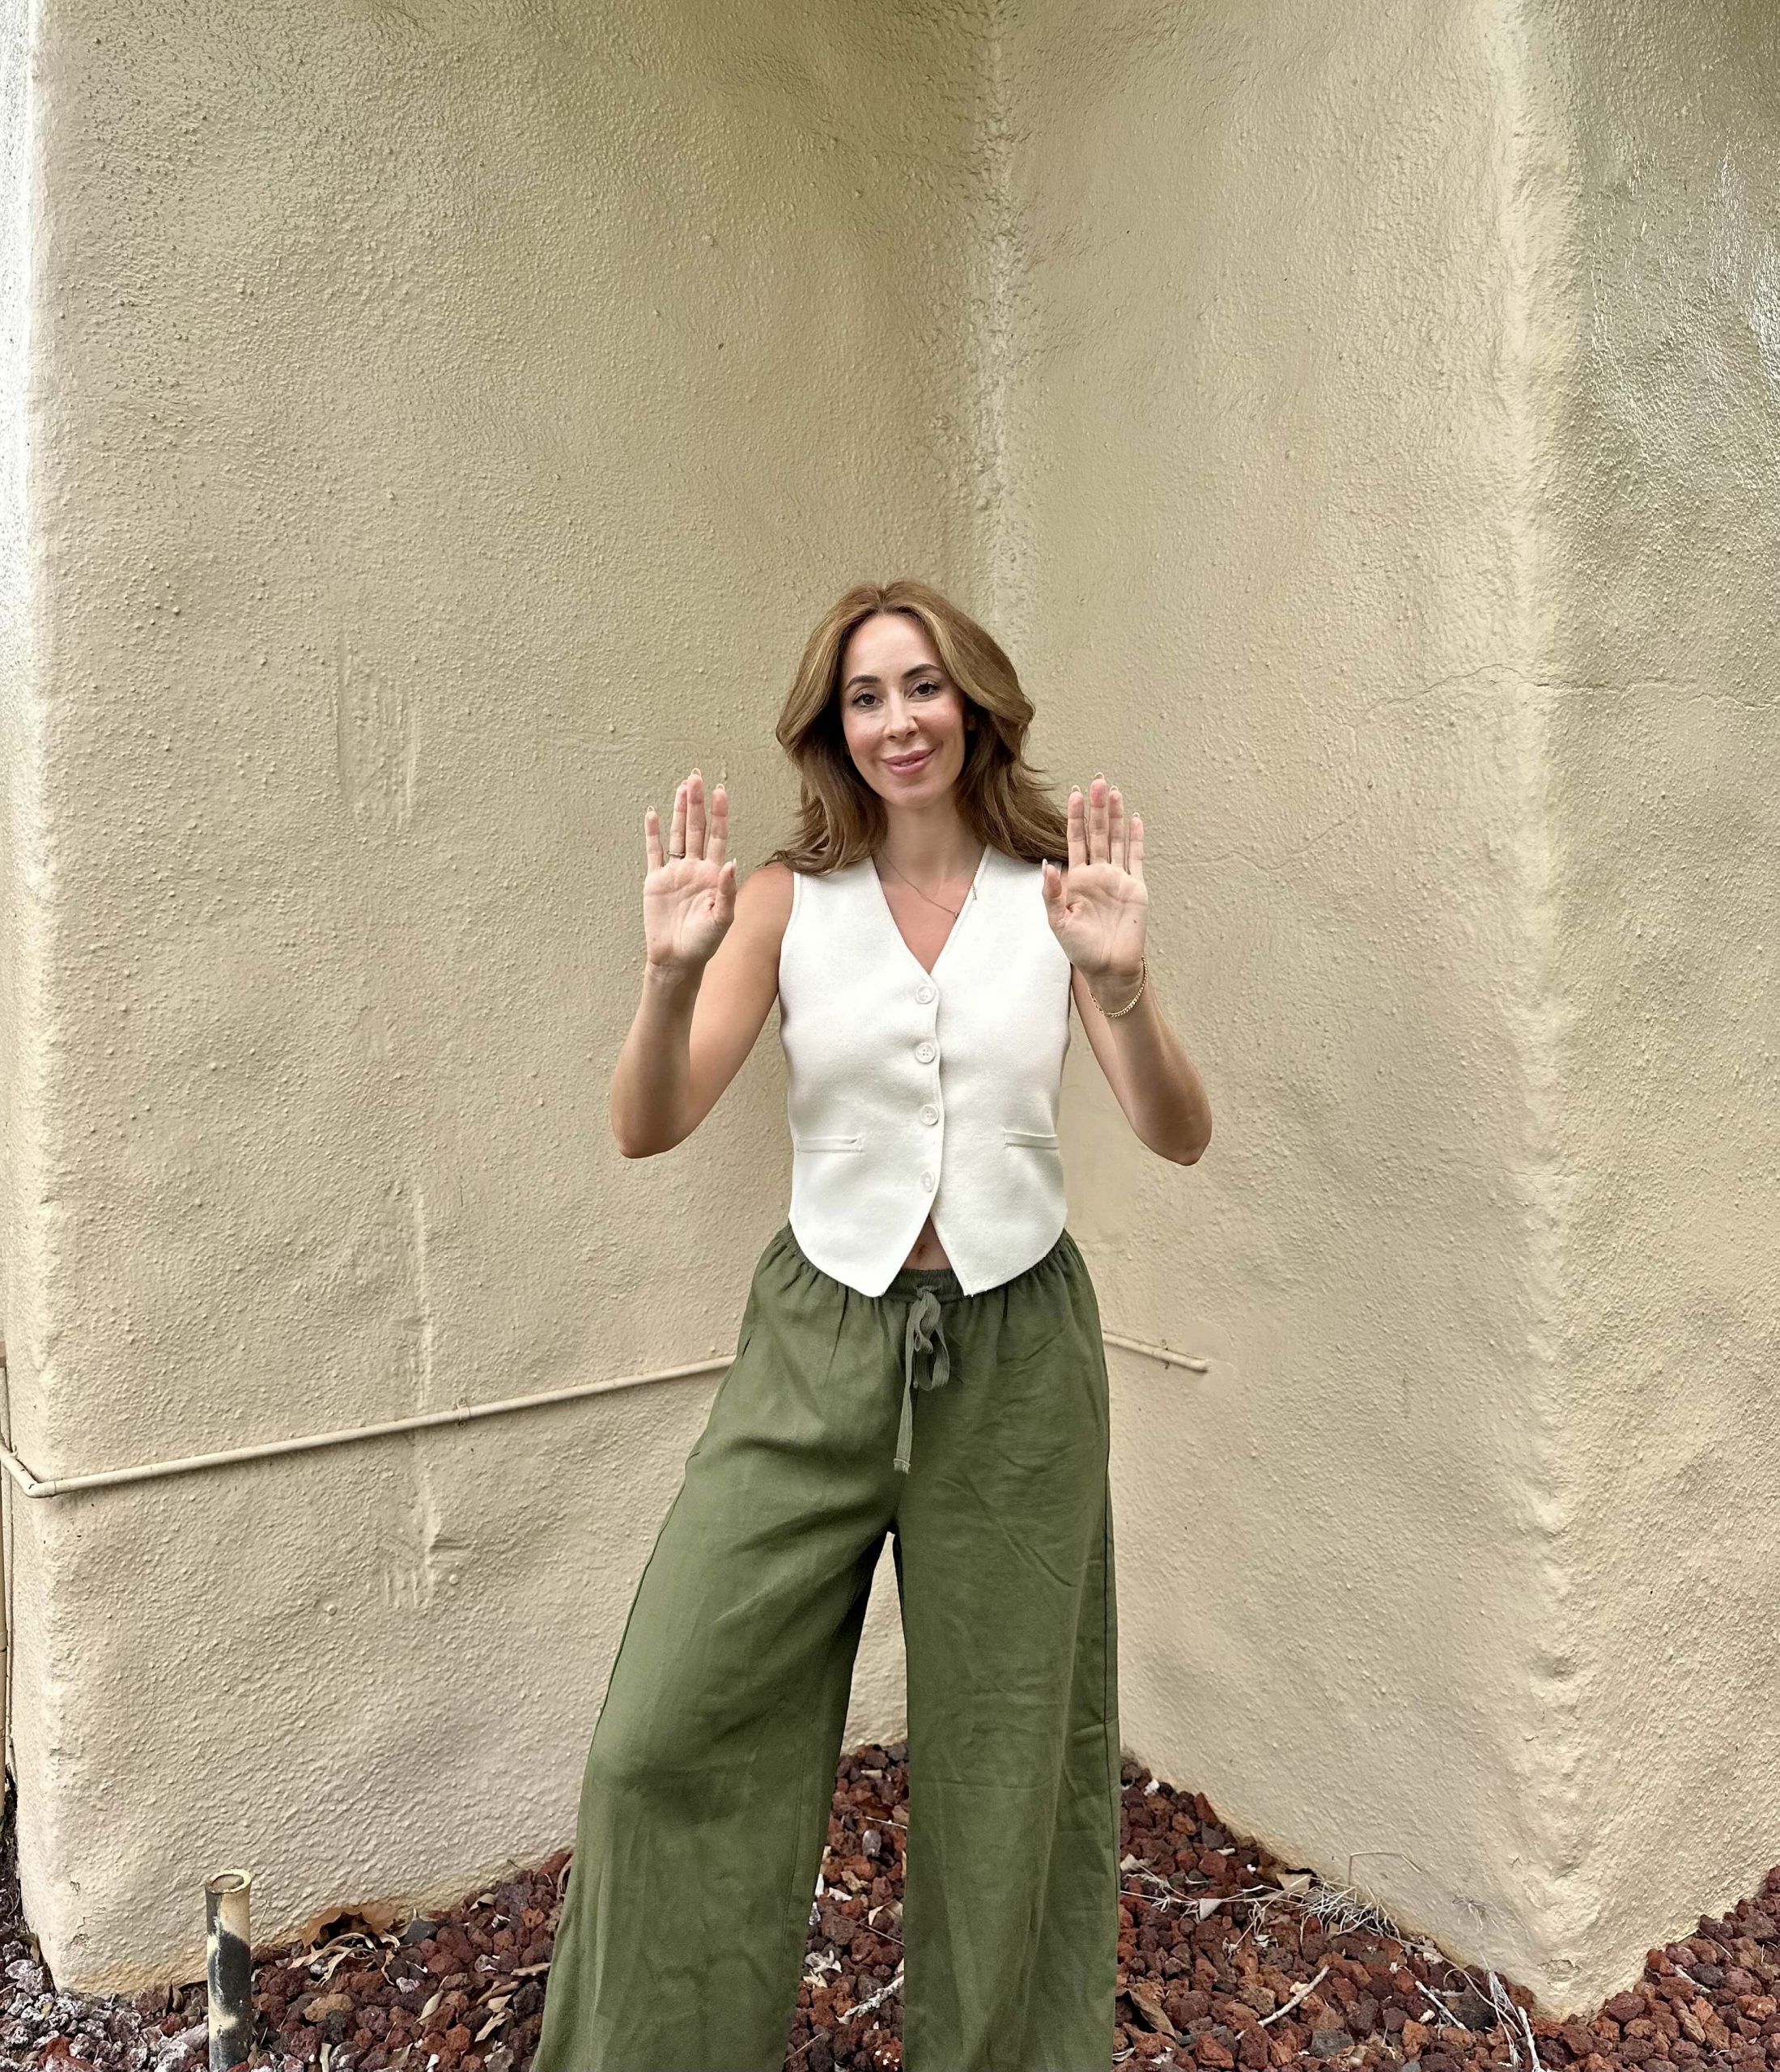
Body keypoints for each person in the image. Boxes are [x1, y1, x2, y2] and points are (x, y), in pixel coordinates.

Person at [532, 578, 1213, 2072]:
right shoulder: (787, 902)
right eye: (864, 696)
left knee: (1012, 1768)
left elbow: (1178, 1133)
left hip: (1017, 1350)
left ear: (973, 704)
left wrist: (1124, 986)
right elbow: (649, 1121)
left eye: (921, 686)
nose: (897, 720)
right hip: (820, 1339)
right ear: (830, 728)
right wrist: (664, 981)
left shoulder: (1058, 901)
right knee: (663, 1729)